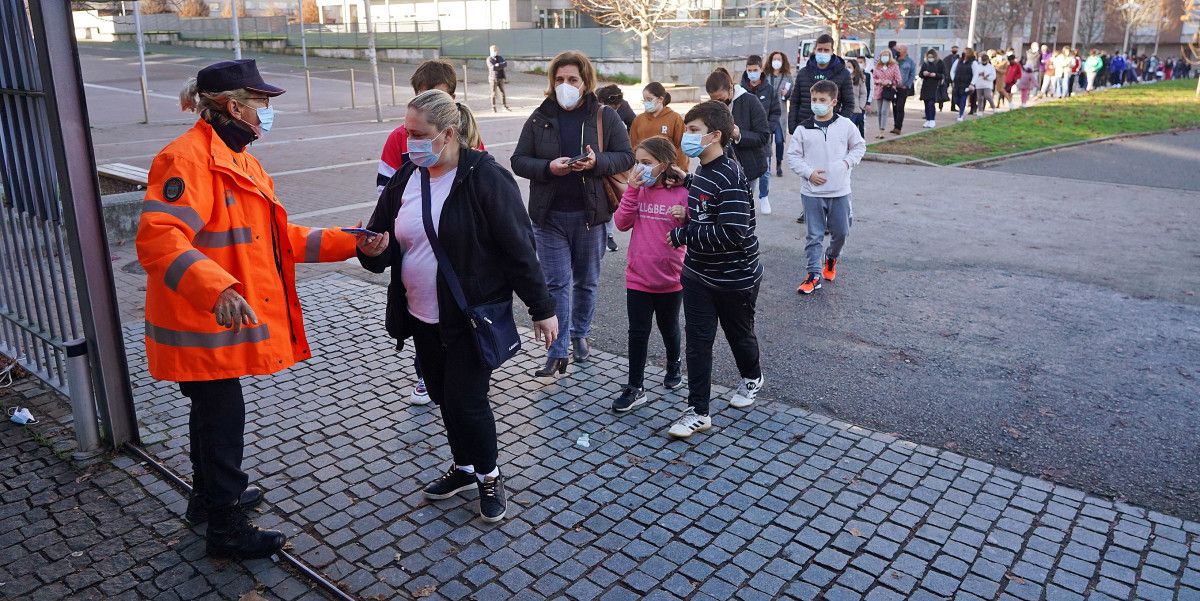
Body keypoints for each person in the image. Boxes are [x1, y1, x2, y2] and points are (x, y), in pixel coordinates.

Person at [138, 60, 360, 558]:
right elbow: (159, 240)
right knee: (221, 419)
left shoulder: (237, 160)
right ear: (232, 107)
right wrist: (217, 289)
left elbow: (278, 240)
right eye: (261, 104)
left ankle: (208, 499)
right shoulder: (188, 160)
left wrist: (353, 243)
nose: (265, 115)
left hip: (211, 324)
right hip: (201, 322)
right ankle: (227, 526)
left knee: (211, 414)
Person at [358, 90, 559, 523]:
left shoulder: (485, 177)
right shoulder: (406, 177)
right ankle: (464, 468)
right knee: (443, 396)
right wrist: (372, 249)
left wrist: (542, 308)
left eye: (417, 133)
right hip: (421, 314)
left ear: (447, 133)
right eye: (406, 130)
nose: (407, 140)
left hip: (470, 314)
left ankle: (489, 474)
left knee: (467, 401)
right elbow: (382, 241)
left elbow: (518, 249)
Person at [511, 51, 635, 377]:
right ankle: (557, 348)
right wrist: (549, 168)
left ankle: (580, 333)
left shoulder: (604, 116)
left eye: (572, 80)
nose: (565, 85)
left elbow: (626, 156)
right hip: (548, 216)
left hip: (590, 216)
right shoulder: (540, 116)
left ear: (585, 82)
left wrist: (598, 163)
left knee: (587, 282)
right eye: (560, 79)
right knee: (556, 284)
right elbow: (519, 160)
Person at [377, 59, 485, 406]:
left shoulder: (470, 136)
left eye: (437, 98)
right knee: (424, 317)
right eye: (422, 98)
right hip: (417, 252)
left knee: (459, 343)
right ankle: (426, 373)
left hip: (460, 261)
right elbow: (386, 193)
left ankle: (468, 377)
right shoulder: (400, 138)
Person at [664, 101, 763, 439]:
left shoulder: (732, 176)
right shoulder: (704, 168)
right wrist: (688, 181)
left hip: (735, 278)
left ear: (715, 135)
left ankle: (752, 376)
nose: (687, 138)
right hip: (697, 275)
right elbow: (708, 200)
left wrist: (683, 233)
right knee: (698, 340)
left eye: (693, 131)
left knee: (740, 336)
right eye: (686, 130)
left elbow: (732, 231)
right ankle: (698, 411)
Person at [610, 137, 688, 412]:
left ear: (664, 164)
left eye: (646, 163)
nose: (639, 168)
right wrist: (631, 190)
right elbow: (621, 223)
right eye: (638, 162)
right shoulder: (639, 191)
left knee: (669, 328)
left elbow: (694, 226)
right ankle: (635, 386)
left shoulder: (681, 192)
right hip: (638, 276)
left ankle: (674, 363)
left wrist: (685, 216)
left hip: (671, 278)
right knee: (637, 333)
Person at [786, 80, 865, 295]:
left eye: (822, 100)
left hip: (839, 191)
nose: (817, 104)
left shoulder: (846, 125)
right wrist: (808, 173)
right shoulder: (803, 128)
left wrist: (846, 163)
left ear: (833, 102)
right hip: (812, 193)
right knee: (814, 235)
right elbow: (793, 156)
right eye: (814, 100)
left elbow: (859, 146)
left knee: (841, 232)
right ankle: (813, 275)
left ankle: (831, 258)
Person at [706, 68, 770, 209]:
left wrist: (739, 135)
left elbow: (764, 136)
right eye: (714, 100)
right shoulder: (712, 107)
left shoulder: (750, 101)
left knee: (741, 209)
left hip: (747, 168)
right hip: (720, 168)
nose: (719, 104)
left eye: (721, 99)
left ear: (730, 89)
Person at [788, 33, 856, 135]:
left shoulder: (843, 74)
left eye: (826, 50)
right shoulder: (803, 73)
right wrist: (793, 126)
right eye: (819, 49)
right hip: (804, 127)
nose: (822, 53)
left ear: (832, 51)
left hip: (830, 130)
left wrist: (838, 125)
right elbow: (795, 102)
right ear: (815, 50)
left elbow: (849, 104)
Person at [597, 83, 637, 251]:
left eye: (617, 107)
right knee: (600, 197)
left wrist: (623, 143)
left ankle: (609, 235)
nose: (615, 109)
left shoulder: (624, 107)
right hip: (596, 158)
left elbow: (634, 125)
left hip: (614, 160)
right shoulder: (595, 109)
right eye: (612, 106)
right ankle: (605, 234)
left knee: (612, 195)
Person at [740, 56, 782, 214]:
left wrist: (767, 129)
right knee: (745, 171)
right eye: (749, 70)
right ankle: (746, 199)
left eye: (755, 70)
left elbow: (776, 112)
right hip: (745, 137)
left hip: (763, 139)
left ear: (761, 70)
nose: (752, 73)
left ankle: (764, 196)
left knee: (764, 170)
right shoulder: (740, 89)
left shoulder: (769, 90)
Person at [629, 82, 688, 173]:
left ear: (660, 99)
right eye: (644, 100)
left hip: (667, 171)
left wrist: (679, 170)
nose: (646, 103)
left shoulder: (675, 118)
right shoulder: (638, 120)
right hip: (644, 170)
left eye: (649, 99)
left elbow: (682, 147)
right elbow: (633, 147)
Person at [764, 51, 795, 178]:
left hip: (780, 114)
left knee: (779, 140)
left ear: (783, 62)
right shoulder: (765, 76)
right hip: (766, 113)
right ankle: (768, 164)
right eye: (774, 59)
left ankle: (779, 164)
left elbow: (792, 93)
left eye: (779, 59)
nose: (776, 61)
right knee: (767, 141)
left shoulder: (787, 77)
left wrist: (786, 94)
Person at [870, 48, 901, 138]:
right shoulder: (877, 66)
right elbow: (873, 77)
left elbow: (898, 79)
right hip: (879, 90)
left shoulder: (894, 66)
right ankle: (880, 129)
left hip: (888, 90)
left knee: (884, 110)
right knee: (879, 111)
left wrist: (890, 82)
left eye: (886, 55)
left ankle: (882, 130)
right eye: (883, 56)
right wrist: (879, 81)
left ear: (890, 56)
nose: (884, 57)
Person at [891, 44, 917, 134]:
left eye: (900, 49)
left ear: (905, 50)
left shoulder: (910, 62)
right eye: (897, 49)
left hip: (903, 88)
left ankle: (898, 127)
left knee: (900, 107)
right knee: (894, 106)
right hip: (894, 87)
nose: (898, 50)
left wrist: (907, 85)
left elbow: (912, 74)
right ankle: (895, 126)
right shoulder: (894, 60)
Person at [918, 49, 945, 128]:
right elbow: (920, 74)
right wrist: (923, 73)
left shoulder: (940, 63)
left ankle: (932, 120)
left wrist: (935, 75)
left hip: (935, 86)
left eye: (932, 57)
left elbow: (943, 74)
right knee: (926, 104)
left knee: (931, 104)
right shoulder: (925, 64)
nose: (930, 58)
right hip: (926, 85)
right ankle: (927, 120)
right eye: (929, 57)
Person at [951, 48, 977, 121]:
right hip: (957, 83)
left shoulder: (973, 63)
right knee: (955, 99)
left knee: (963, 98)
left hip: (966, 83)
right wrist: (954, 79)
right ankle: (961, 108)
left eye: (966, 52)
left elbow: (975, 74)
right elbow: (952, 70)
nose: (964, 54)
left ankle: (961, 115)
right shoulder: (958, 61)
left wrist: (972, 83)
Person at [486, 44, 511, 112]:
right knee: (493, 93)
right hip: (493, 78)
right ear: (491, 51)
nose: (495, 52)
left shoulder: (499, 57)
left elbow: (505, 64)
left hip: (501, 77)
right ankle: (493, 107)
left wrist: (498, 65)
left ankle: (504, 106)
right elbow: (493, 67)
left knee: (502, 92)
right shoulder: (489, 59)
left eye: (496, 51)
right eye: (494, 51)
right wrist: (500, 65)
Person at [847, 59, 868, 137]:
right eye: (846, 67)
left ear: (854, 68)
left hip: (855, 108)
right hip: (844, 107)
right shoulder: (843, 78)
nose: (847, 69)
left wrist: (860, 106)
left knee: (851, 127)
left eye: (849, 67)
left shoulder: (858, 79)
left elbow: (863, 93)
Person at [943, 46, 961, 112]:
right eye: (953, 49)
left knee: (954, 92)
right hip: (947, 77)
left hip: (955, 78)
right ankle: (941, 104)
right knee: (943, 90)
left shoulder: (959, 59)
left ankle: (953, 106)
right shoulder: (947, 59)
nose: (954, 50)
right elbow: (943, 67)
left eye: (956, 49)